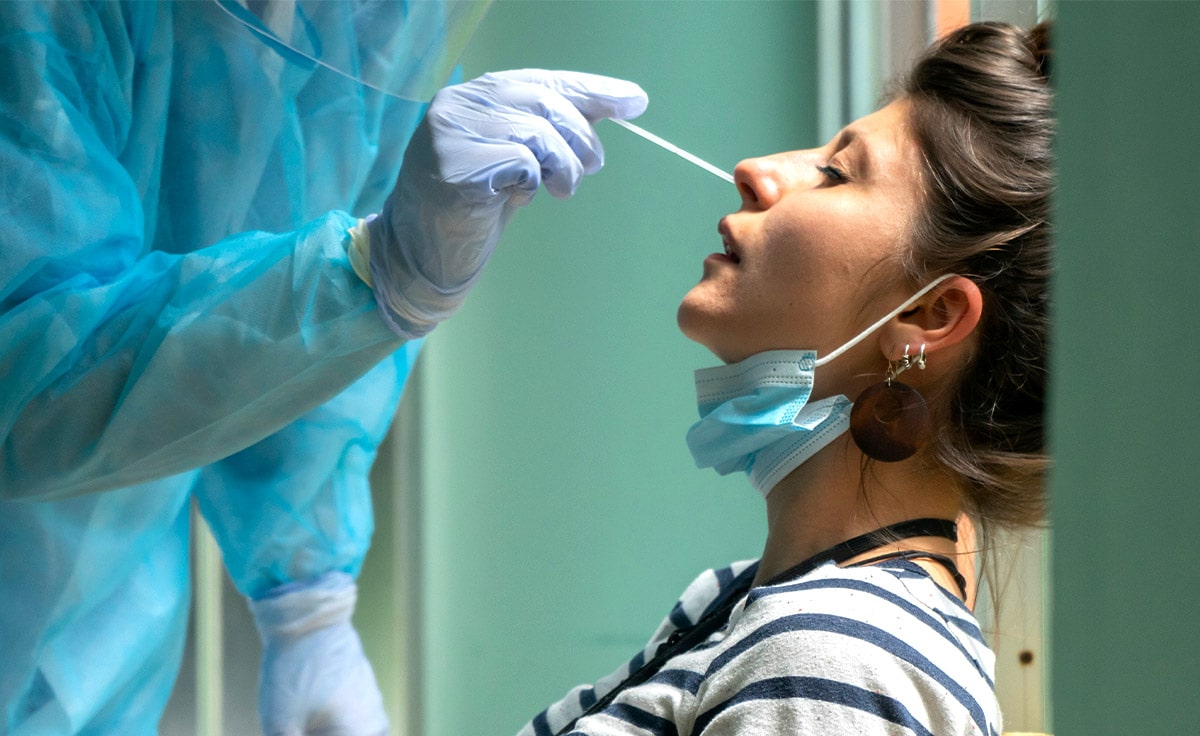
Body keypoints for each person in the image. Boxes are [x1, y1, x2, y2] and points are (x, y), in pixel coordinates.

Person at [0, 2, 646, 735]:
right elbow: (25, 376)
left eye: (815, 170)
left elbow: (288, 350)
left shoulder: (384, 24)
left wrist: (307, 600)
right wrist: (373, 274)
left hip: (109, 632)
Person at [515, 20, 1053, 735]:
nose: (754, 169)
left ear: (928, 314)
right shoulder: (739, 601)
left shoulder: (831, 657)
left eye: (836, 172)